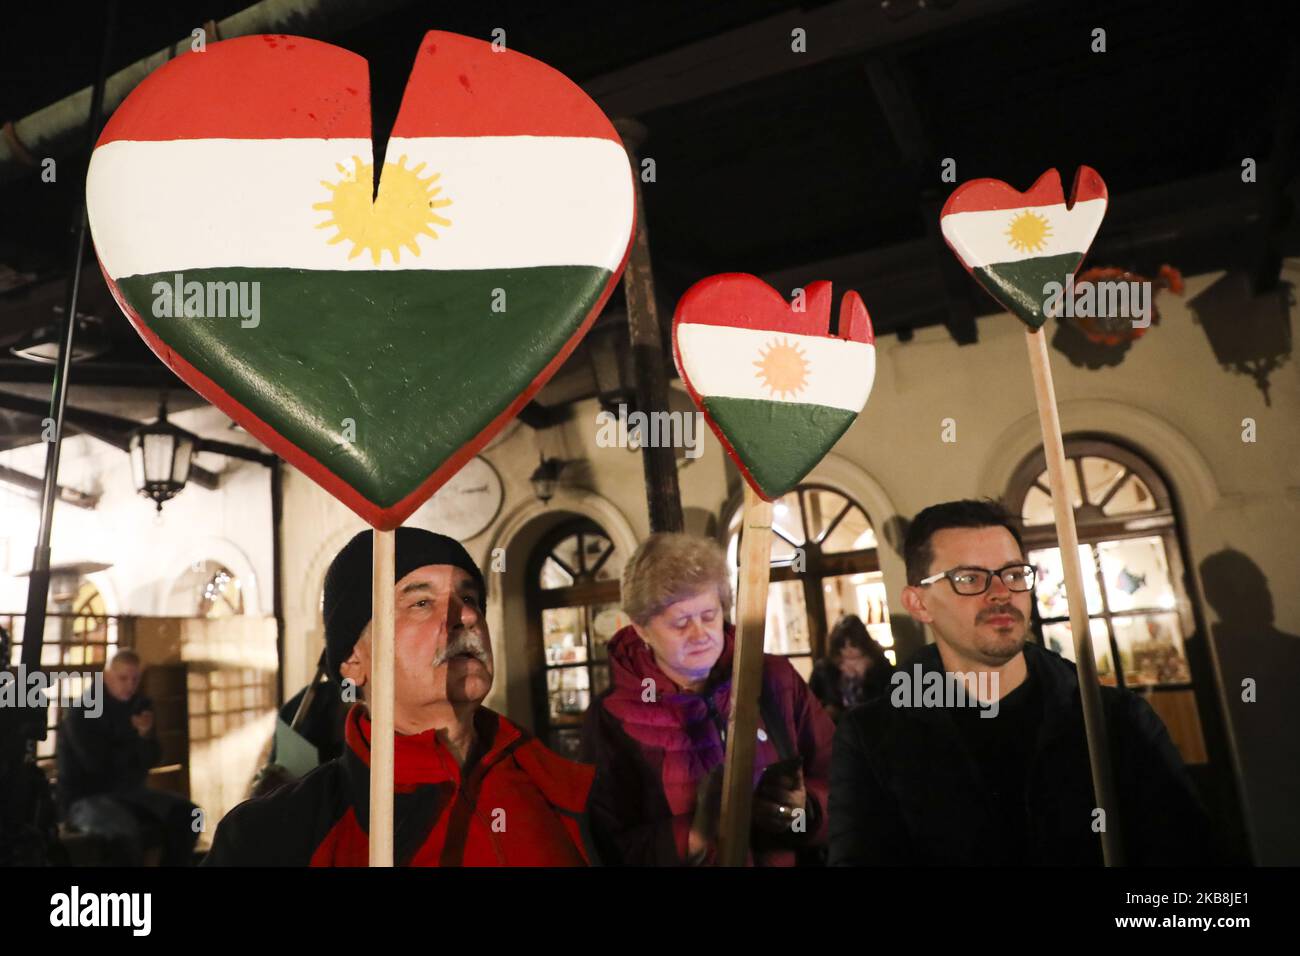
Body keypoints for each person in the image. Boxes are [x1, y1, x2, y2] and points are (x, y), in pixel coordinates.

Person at [829, 499, 1218, 865]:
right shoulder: (873, 737)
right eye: (969, 578)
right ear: (918, 603)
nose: (1001, 593)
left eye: (1014, 574)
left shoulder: (1114, 719)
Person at [205, 528, 598, 866]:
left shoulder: (566, 790)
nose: (466, 617)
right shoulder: (270, 841)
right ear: (353, 660)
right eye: (422, 603)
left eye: (470, 598)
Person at [581, 532, 834, 866]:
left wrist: (808, 808)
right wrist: (695, 835)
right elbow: (607, 843)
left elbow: (845, 780)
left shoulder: (773, 677)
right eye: (680, 622)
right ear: (641, 628)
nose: (700, 634)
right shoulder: (612, 717)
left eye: (709, 616)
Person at [57, 650, 200, 865]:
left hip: (130, 794)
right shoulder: (82, 711)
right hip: (85, 798)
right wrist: (132, 738)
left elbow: (152, 759)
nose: (129, 685)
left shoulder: (139, 707)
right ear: (106, 677)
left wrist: (144, 737)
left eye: (135, 679)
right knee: (123, 831)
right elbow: (96, 765)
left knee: (190, 815)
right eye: (122, 678)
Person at [809, 615, 894, 721]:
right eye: (843, 645)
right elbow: (809, 701)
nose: (848, 650)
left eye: (853, 644)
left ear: (862, 642)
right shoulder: (824, 668)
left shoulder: (880, 666)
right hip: (835, 728)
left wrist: (865, 676)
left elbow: (889, 700)